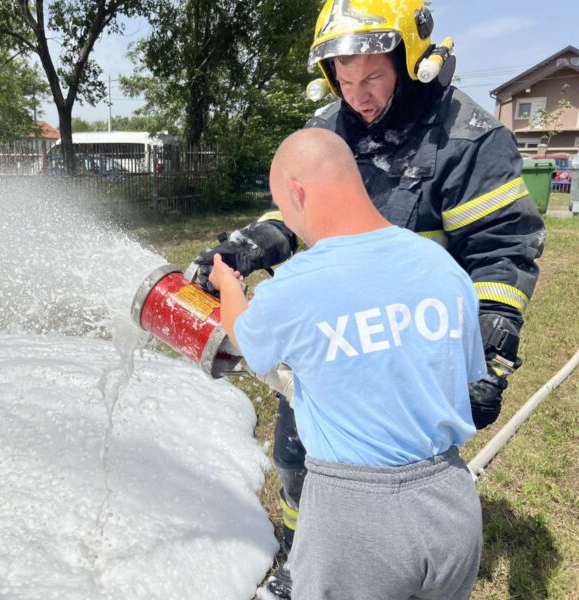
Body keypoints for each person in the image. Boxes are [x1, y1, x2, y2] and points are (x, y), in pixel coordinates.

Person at [193, 1, 545, 596]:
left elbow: (501, 249)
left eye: (374, 76)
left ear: (413, 61)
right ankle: (306, 559)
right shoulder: (331, 126)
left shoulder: (467, 140)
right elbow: (301, 213)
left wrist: (490, 350)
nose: (359, 95)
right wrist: (253, 245)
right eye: (345, 80)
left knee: (404, 455)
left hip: (417, 336)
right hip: (337, 337)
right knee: (296, 452)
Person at [209, 127, 485, 600]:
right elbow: (455, 371)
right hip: (452, 506)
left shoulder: (296, 286)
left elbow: (246, 339)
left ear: (296, 192)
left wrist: (228, 284)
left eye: (284, 207)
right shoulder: (444, 268)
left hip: (355, 519)